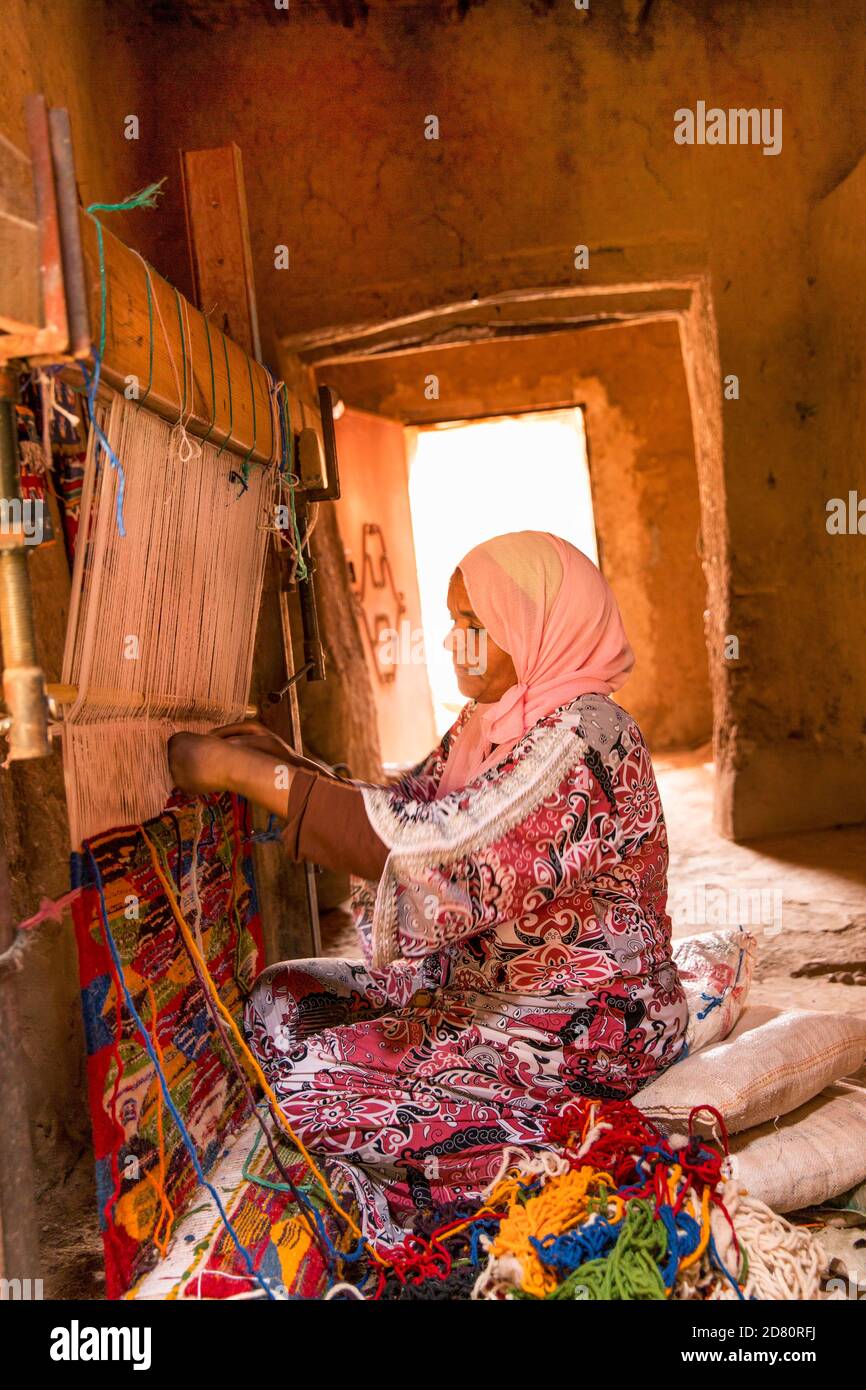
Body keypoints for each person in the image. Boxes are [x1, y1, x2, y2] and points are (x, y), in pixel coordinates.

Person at [168, 530, 687, 1239]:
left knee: (304, 1095)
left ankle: (532, 1157)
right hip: (474, 993)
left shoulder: (587, 738)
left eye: (475, 625)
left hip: (575, 1033)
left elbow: (434, 850)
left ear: (533, 629)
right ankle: (428, 1117)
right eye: (454, 623)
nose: (452, 643)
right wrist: (290, 764)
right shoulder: (493, 725)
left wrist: (244, 773)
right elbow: (407, 808)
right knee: (278, 1003)